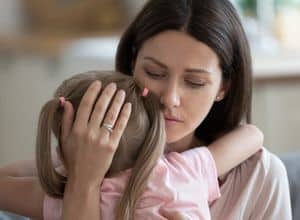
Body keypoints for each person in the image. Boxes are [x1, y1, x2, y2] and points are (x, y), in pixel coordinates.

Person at [0, 0, 292, 219]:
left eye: (194, 82)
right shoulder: (84, 158)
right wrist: (83, 182)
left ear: (223, 87)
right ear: (132, 65)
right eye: (154, 73)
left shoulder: (259, 176)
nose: (170, 98)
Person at [1, 70, 262, 220]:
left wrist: (70, 164)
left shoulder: (70, 199)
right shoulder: (182, 173)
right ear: (153, 133)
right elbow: (253, 135)